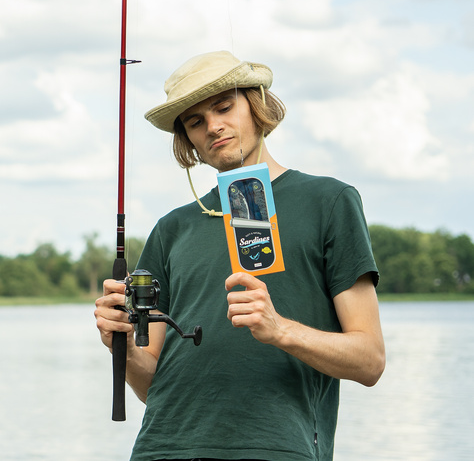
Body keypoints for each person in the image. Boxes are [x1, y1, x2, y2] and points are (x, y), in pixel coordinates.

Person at [95, 51, 385, 461]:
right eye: (195, 122)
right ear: (188, 140)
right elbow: (152, 384)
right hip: (161, 449)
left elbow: (370, 360)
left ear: (257, 106)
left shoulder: (329, 201)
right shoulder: (171, 228)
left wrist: (279, 329)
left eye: (224, 106)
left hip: (276, 449)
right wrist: (121, 345)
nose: (213, 126)